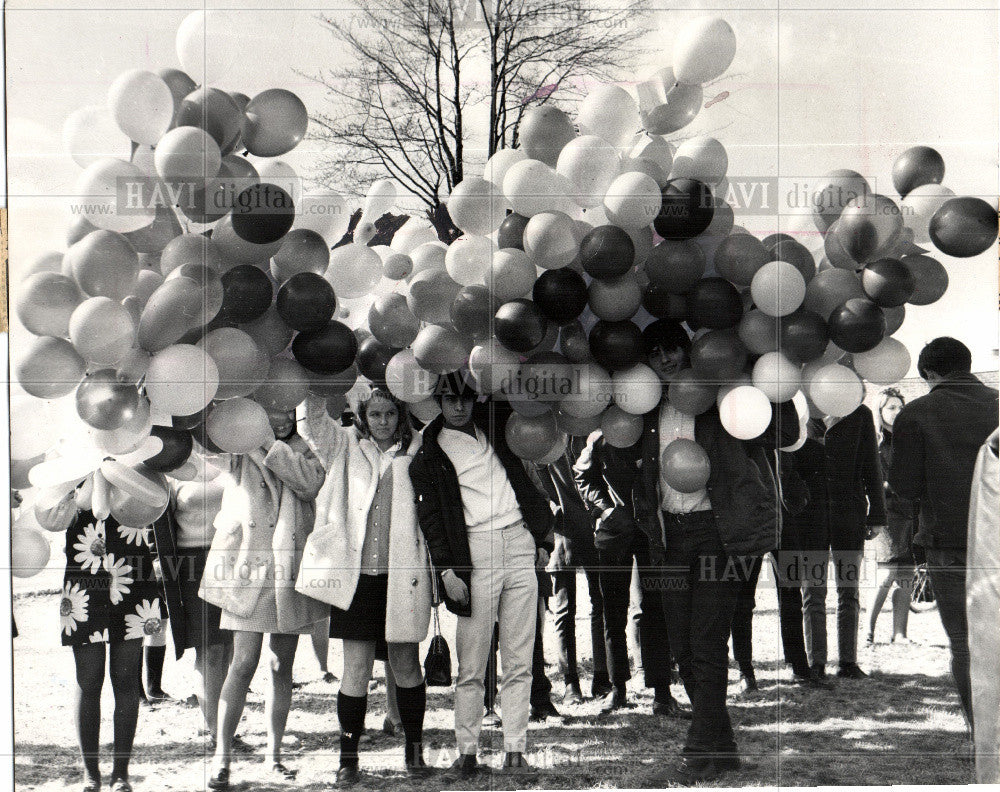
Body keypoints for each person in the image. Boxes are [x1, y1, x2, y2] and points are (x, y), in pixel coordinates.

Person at [628, 319, 797, 784]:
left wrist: (773, 378)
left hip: (716, 536)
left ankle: (698, 750)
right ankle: (722, 751)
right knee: (681, 646)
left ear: (689, 352)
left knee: (706, 642)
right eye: (656, 352)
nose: (666, 359)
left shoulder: (722, 400)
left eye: (673, 349)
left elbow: (781, 429)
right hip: (668, 539)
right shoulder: (643, 409)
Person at [409, 373, 554, 779]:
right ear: (437, 401)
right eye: (450, 399)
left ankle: (515, 750)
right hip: (474, 550)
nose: (459, 406)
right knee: (471, 664)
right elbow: (431, 518)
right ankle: (467, 752)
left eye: (466, 398)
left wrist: (541, 538)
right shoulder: (429, 450)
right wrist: (447, 570)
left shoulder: (494, 425)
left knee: (520, 658)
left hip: (518, 541)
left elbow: (524, 482)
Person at [297, 386, 433, 783]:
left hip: (402, 579)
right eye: (375, 414)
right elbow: (312, 419)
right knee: (355, 669)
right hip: (356, 581)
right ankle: (348, 758)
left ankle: (414, 750)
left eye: (390, 414)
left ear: (401, 415)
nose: (383, 422)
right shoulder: (344, 446)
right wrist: (321, 375)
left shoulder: (419, 452)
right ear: (363, 416)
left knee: (406, 663)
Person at [200, 408, 328, 790]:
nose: (279, 420)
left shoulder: (307, 449)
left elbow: (310, 484)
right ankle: (221, 757)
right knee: (243, 662)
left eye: (285, 412)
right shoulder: (241, 446)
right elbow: (207, 453)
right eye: (270, 414)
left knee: (280, 665)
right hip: (248, 568)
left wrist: (271, 443)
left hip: (287, 571)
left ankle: (275, 754)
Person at [889, 337, 998, 731]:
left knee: (966, 645)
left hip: (948, 544)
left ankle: (981, 736)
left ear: (931, 375)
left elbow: (905, 487)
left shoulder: (917, 414)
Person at [39, 479, 165, 792]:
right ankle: (90, 773)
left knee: (125, 680)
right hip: (83, 585)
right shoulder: (68, 467)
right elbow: (51, 519)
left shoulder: (136, 464)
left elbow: (157, 501)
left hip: (133, 578)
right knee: (89, 678)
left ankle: (121, 773)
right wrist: (72, 482)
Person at [574, 427, 687, 718]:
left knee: (655, 610)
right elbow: (582, 476)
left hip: (650, 534)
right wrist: (606, 509)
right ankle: (617, 689)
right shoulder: (600, 437)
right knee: (613, 612)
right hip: (614, 535)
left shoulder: (654, 433)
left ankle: (662, 693)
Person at [792, 403, 886, 681]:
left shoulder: (859, 412)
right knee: (813, 592)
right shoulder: (797, 407)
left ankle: (848, 662)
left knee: (849, 591)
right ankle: (816, 663)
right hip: (809, 515)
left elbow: (872, 463)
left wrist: (877, 514)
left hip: (849, 514)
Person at [150, 450, 237, 748]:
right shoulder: (171, 462)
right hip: (190, 565)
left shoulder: (232, 452)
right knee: (209, 649)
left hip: (231, 558)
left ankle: (215, 720)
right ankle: (217, 732)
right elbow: (157, 524)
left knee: (227, 649)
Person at [530, 438, 612, 705]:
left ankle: (602, 677)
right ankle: (570, 682)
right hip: (563, 532)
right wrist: (554, 509)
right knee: (565, 609)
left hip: (597, 528)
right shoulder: (547, 437)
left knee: (600, 603)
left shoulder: (591, 433)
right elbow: (540, 481)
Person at [867, 388, 917, 644]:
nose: (897, 412)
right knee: (886, 573)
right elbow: (872, 481)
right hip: (885, 513)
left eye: (900, 407)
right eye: (891, 408)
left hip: (908, 511)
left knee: (906, 574)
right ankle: (867, 631)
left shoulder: (907, 440)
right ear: (880, 411)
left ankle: (900, 633)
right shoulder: (874, 441)